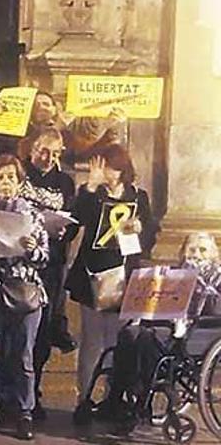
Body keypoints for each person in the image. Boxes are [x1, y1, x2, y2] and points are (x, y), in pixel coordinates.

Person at [68, 144, 158, 425]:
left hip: (125, 276)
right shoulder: (93, 195)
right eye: (102, 165)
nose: (106, 171)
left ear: (123, 169)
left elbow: (151, 235)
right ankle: (84, 397)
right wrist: (90, 188)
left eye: (111, 166)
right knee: (92, 343)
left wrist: (142, 231)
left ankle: (113, 397)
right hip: (94, 275)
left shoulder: (138, 197)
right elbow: (76, 221)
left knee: (120, 342)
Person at [108, 232, 221, 433]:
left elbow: (217, 309)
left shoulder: (218, 277)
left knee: (145, 338)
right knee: (129, 333)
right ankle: (118, 396)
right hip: (165, 325)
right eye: (192, 249)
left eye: (203, 250)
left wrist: (199, 286)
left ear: (213, 254)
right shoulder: (175, 273)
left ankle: (140, 400)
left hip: (200, 330)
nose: (196, 254)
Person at [0, 154, 49, 441]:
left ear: (19, 182)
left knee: (23, 357)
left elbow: (45, 258)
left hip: (25, 293)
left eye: (11, 178)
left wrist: (31, 249)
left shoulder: (32, 215)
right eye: (1, 177)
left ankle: (24, 414)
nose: (6, 183)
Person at [19, 128, 78, 420]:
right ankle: (8, 393)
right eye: (44, 151)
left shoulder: (65, 181)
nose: (49, 158)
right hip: (18, 262)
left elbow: (74, 221)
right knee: (14, 331)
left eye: (56, 154)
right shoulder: (19, 172)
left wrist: (65, 230)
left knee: (41, 333)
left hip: (51, 264)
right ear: (33, 149)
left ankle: (33, 394)